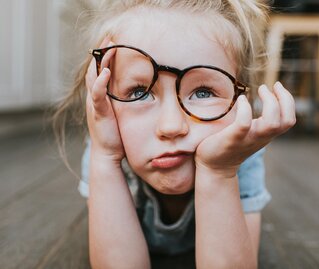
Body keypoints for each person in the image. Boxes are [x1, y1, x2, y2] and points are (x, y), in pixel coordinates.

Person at [53, 0, 296, 268]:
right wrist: (105, 157)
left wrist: (218, 173)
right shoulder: (107, 149)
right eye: (139, 92)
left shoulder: (240, 155)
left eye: (202, 92)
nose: (171, 126)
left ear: (241, 103)